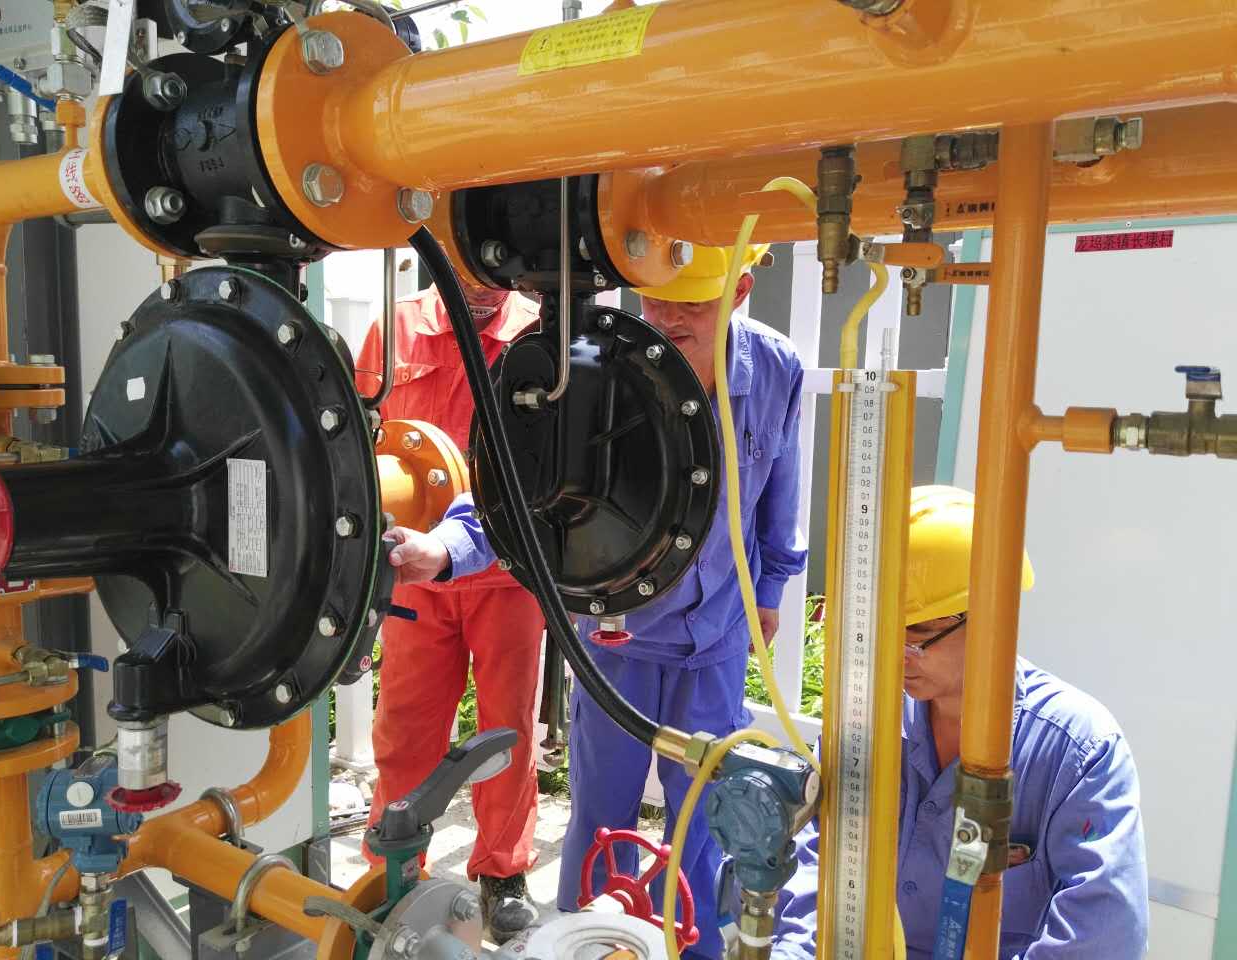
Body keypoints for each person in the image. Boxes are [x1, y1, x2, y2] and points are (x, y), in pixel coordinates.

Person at [386, 244, 808, 960]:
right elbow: (522, 491)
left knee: (701, 821)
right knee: (601, 820)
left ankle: (691, 948)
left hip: (718, 632)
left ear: (739, 289)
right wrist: (446, 549)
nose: (667, 316)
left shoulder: (774, 367)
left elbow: (781, 492)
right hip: (618, 637)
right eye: (655, 295)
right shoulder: (599, 361)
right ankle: (584, 942)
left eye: (692, 302)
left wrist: (769, 591)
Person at [773, 485, 1149, 959]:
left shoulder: (1079, 752)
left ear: (994, 615)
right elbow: (816, 859)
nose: (896, 655)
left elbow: (1103, 936)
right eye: (884, 630)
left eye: (918, 632)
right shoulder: (866, 723)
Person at [354, 277, 546, 944]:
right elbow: (359, 441)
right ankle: (394, 867)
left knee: (507, 727)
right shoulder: (395, 328)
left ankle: (503, 872)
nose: (477, 279)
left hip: (508, 573)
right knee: (405, 726)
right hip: (414, 576)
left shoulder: (537, 334)